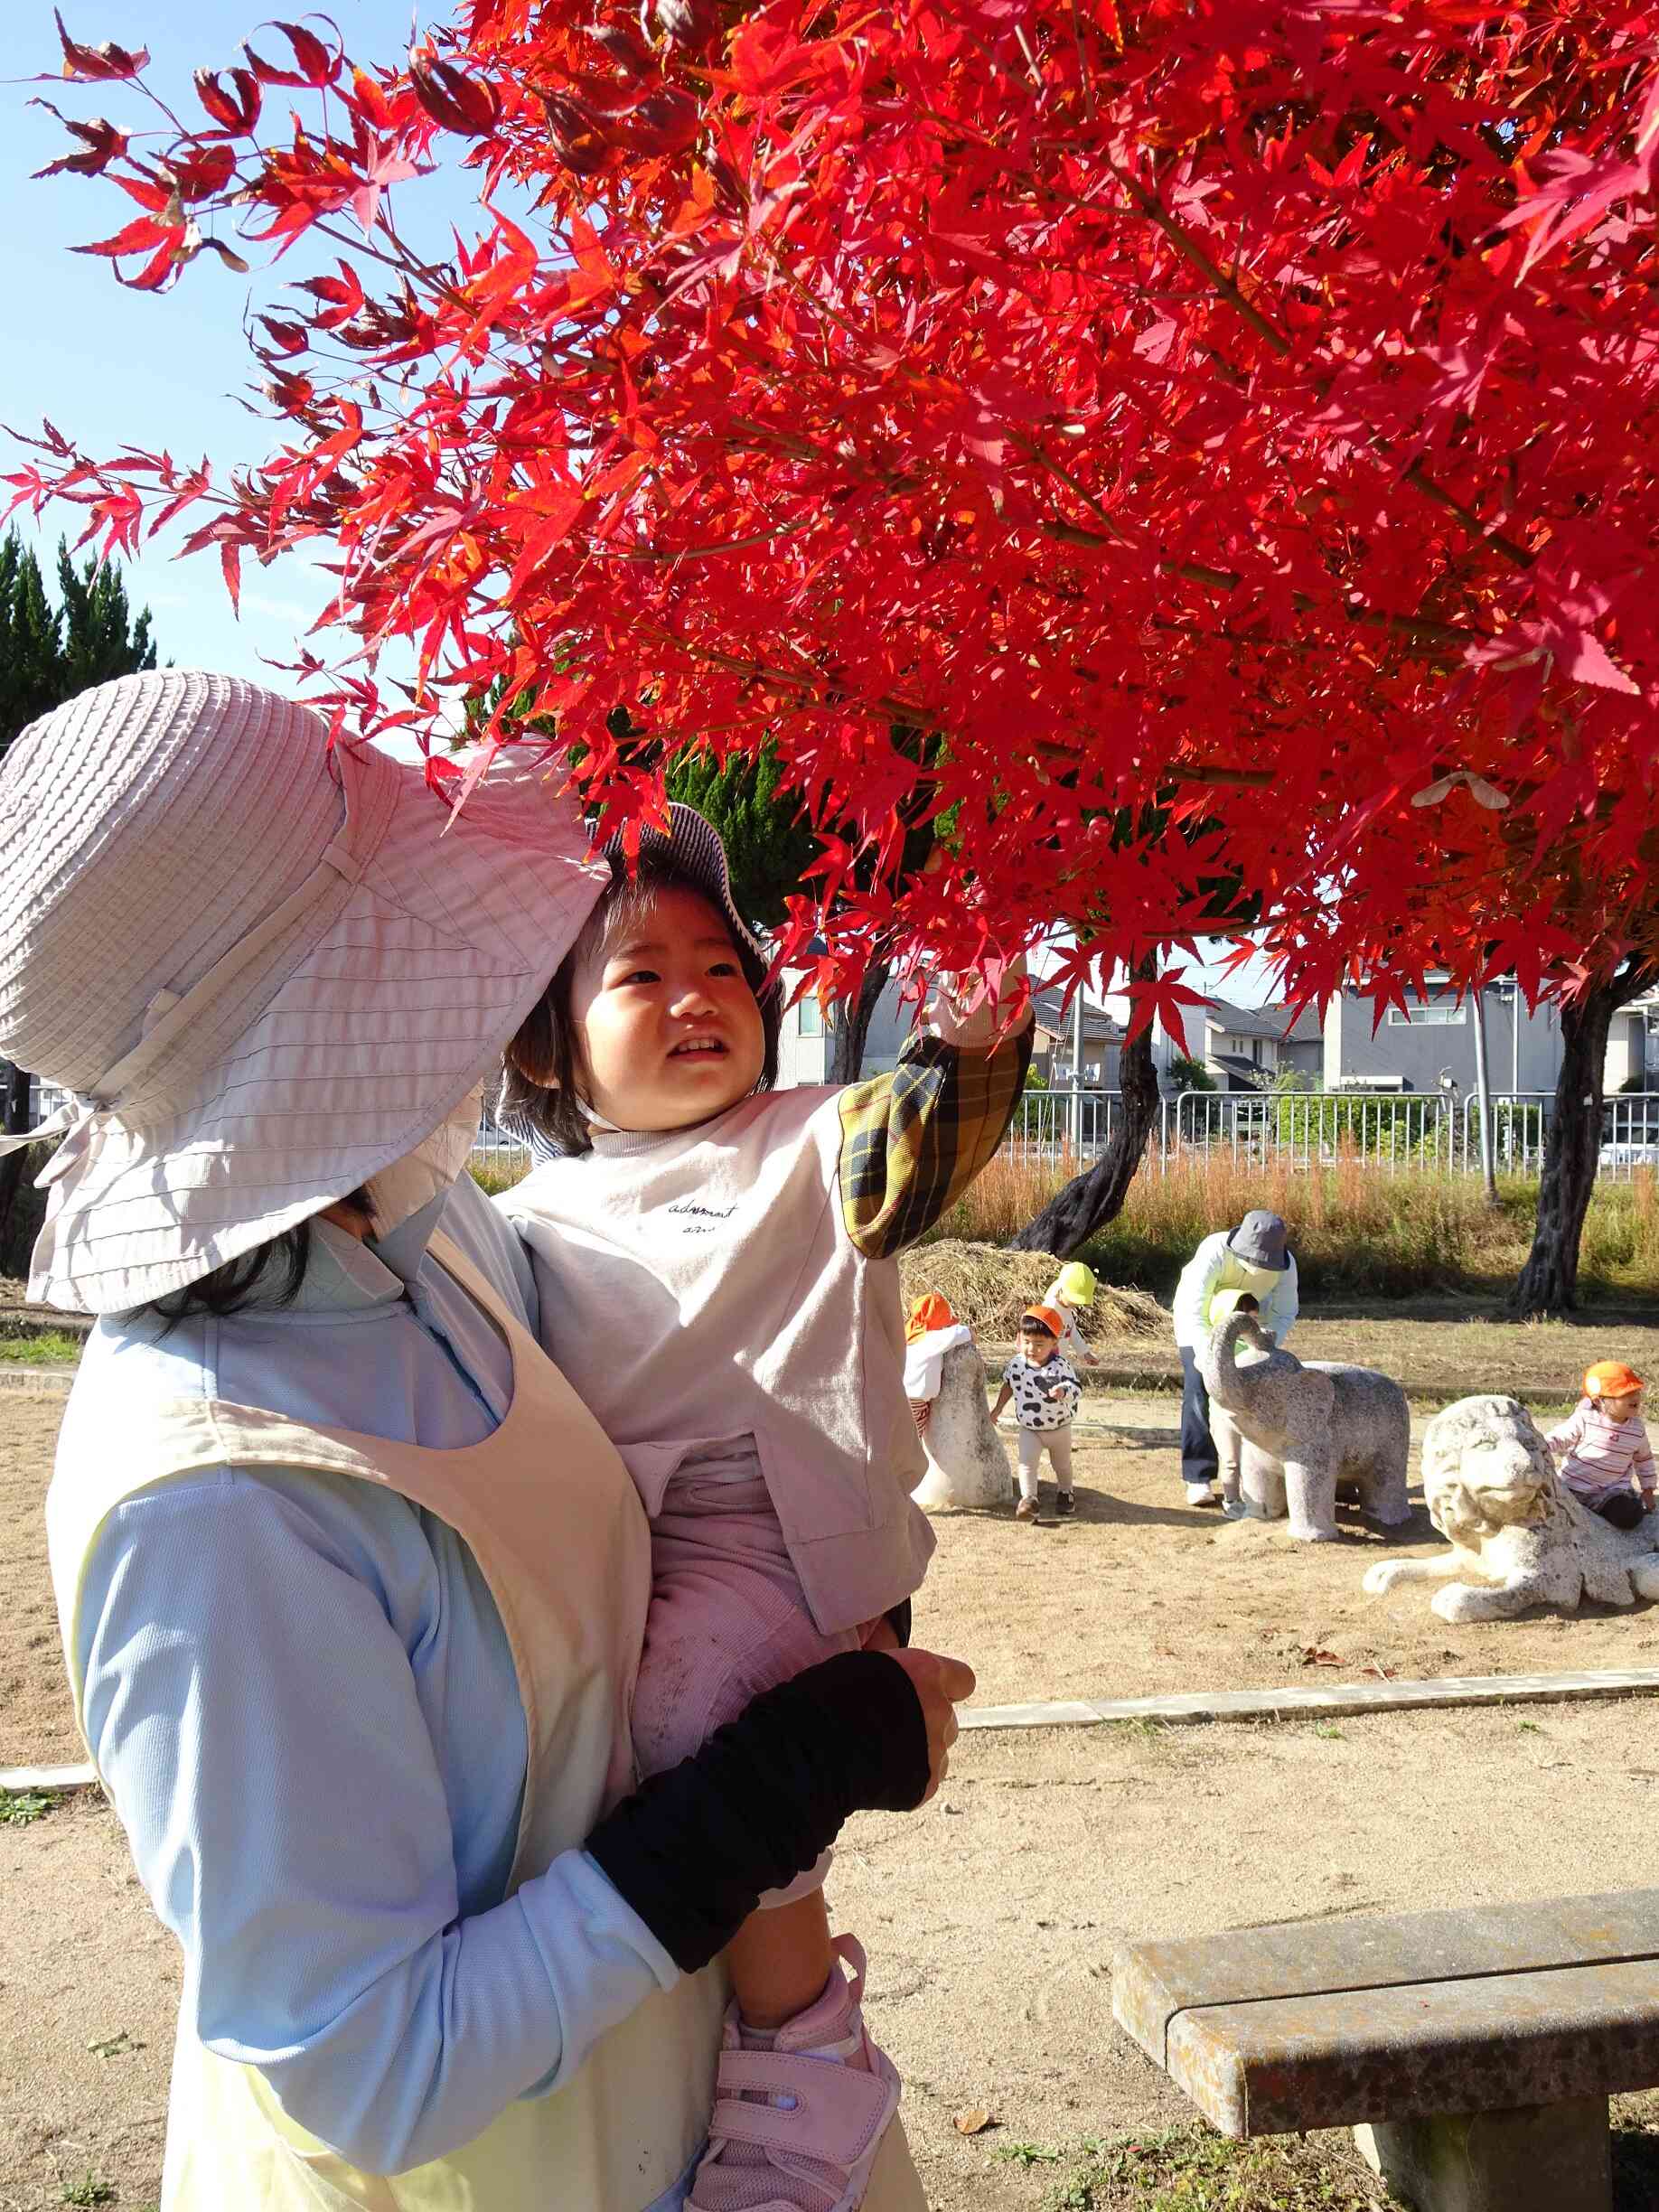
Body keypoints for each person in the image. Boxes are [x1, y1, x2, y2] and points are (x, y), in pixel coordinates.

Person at [0, 671, 974, 2212]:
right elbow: (359, 2059)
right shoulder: (218, 1501)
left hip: (692, 2109)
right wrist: (753, 1801)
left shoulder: (432, 1235)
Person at [496, 805, 1031, 2212]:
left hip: (785, 1548)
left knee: (684, 1721)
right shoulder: (536, 1213)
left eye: (724, 968)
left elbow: (916, 1138)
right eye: (639, 973)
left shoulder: (808, 1143)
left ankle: (808, 2056)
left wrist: (970, 1039)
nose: (694, 997)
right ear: (548, 1043)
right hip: (634, 1556)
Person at [1172, 1210, 1298, 1506]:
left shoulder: (1287, 1266)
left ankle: (1253, 1473)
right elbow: (1195, 1308)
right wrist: (1208, 1355)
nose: (1258, 1266)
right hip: (1201, 1325)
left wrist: (1264, 1345)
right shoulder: (1213, 1251)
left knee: (1254, 1397)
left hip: (1251, 1328)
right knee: (1198, 1392)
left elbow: (1284, 1312)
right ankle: (1198, 1475)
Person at [991, 1305, 1082, 1521]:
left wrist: (1063, 1391)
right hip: (1029, 1428)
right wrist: (997, 1409)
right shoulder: (1016, 1365)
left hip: (1060, 1428)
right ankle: (1029, 1500)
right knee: (1026, 1463)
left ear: (1054, 1342)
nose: (1032, 1348)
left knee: (1061, 1464)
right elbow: (1008, 1386)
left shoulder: (1061, 1366)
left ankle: (1065, 1491)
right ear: (1020, 1338)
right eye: (1027, 1342)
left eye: (1039, 1344)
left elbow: (1076, 1388)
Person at [1547, 1362, 1657, 1530]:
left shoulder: (1637, 1429)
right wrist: (1541, 1445)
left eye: (1636, 1391)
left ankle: (1612, 1511)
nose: (1634, 1397)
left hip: (1610, 1492)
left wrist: (1648, 1489)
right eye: (1625, 1393)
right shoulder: (1585, 1419)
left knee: (1629, 1516)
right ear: (1600, 1401)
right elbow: (1561, 1437)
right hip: (1573, 1487)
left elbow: (1644, 1459)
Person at [904, 1293, 975, 1437]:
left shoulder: (911, 1336)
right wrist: (972, 1333)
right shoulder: (932, 1339)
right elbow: (961, 1332)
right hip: (915, 1402)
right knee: (911, 1442)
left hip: (906, 1398)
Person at [1040, 1260, 1101, 1367]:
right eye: (1075, 1300)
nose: (1077, 1304)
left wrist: (1084, 1353)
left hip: (1059, 1365)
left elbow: (1071, 1331)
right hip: (1044, 1366)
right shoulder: (1049, 1311)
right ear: (1061, 1290)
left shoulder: (1066, 1308)